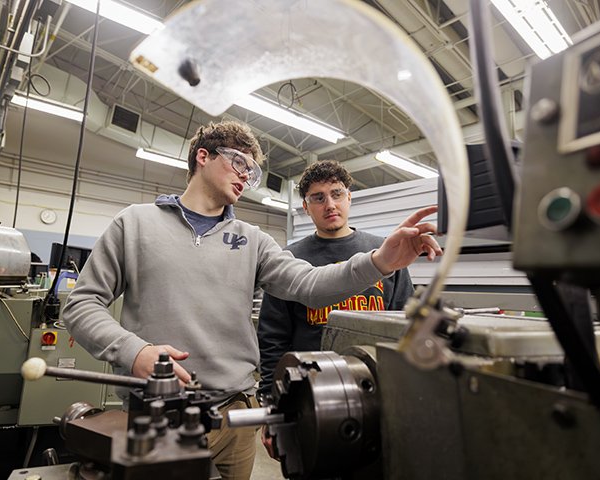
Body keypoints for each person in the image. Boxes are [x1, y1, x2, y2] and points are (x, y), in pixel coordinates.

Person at [62, 120, 441, 480]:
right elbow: (80, 305)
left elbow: (310, 284)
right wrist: (134, 351)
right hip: (156, 418)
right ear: (203, 156)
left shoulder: (253, 239)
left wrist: (379, 261)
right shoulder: (135, 223)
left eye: (253, 171)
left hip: (234, 417)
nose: (247, 175)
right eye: (239, 162)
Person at [256, 160, 419, 459]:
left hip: (377, 392)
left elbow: (405, 330)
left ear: (349, 197)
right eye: (318, 198)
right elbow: (272, 339)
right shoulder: (290, 259)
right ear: (306, 207)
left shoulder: (383, 253)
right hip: (310, 397)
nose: (330, 204)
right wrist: (271, 405)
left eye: (337, 193)